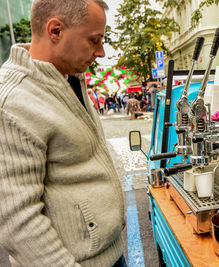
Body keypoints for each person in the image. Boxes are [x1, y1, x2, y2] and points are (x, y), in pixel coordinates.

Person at [0, 1, 126, 267]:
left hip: (108, 255)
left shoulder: (68, 78)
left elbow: (82, 162)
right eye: (94, 40)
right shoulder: (13, 101)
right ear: (55, 30)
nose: (101, 52)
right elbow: (17, 222)